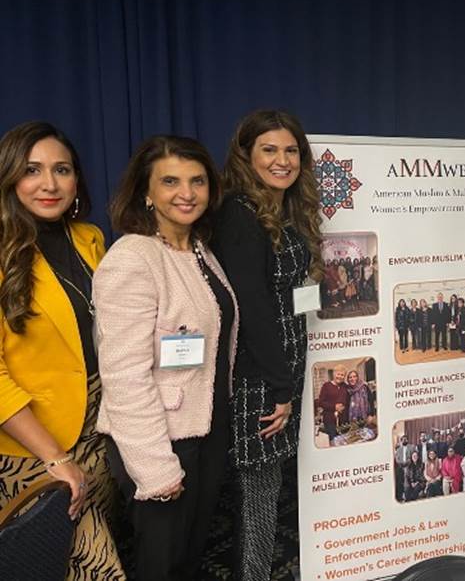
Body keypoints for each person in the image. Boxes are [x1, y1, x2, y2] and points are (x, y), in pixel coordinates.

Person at [94, 134, 238, 580]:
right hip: (160, 438)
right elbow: (124, 376)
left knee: (189, 557)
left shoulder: (199, 251)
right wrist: (154, 468)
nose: (187, 193)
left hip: (204, 431)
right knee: (162, 565)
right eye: (171, 181)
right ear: (147, 192)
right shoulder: (133, 257)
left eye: (197, 181)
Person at [0, 121, 125, 580]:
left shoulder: (89, 238)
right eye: (32, 170)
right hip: (32, 444)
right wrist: (54, 456)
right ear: (10, 177)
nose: (49, 184)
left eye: (62, 169)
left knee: (66, 565)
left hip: (97, 427)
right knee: (92, 566)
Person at [211, 109, 323, 581]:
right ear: (246, 155)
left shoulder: (283, 207)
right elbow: (251, 311)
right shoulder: (240, 214)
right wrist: (279, 387)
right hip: (260, 374)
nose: (282, 160)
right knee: (258, 491)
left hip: (283, 366)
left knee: (269, 484)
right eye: (269, 150)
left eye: (291, 150)